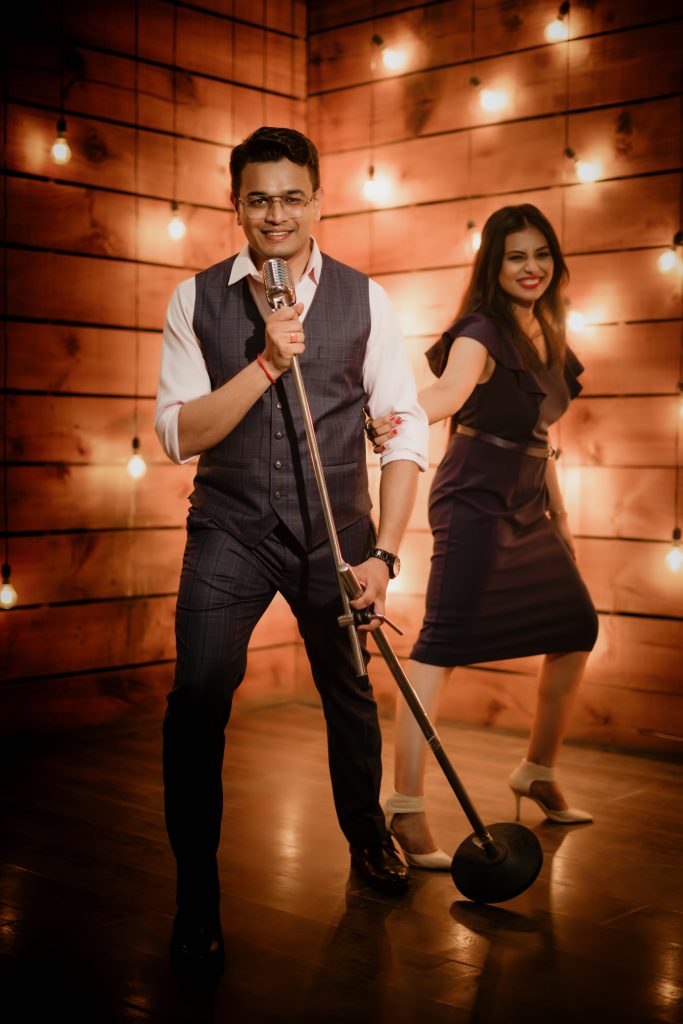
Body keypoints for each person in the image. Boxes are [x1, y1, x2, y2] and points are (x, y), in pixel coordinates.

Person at [154, 126, 429, 973]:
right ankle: (195, 895)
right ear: (235, 204)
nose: (276, 214)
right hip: (229, 529)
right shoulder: (193, 299)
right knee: (197, 698)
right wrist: (267, 365)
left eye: (292, 197)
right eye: (258, 198)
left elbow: (403, 429)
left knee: (349, 693)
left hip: (334, 536)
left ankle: (368, 837)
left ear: (318, 201)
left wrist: (384, 555)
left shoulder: (365, 300)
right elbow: (177, 434)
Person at [366, 204, 599, 869]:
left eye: (541, 254)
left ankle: (536, 771)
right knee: (439, 647)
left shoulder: (549, 332)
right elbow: (446, 393)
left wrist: (562, 520)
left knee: (576, 628)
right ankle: (404, 806)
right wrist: (394, 415)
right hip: (473, 501)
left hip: (529, 502)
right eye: (516, 256)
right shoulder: (481, 330)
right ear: (494, 265)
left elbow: (540, 437)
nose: (531, 268)